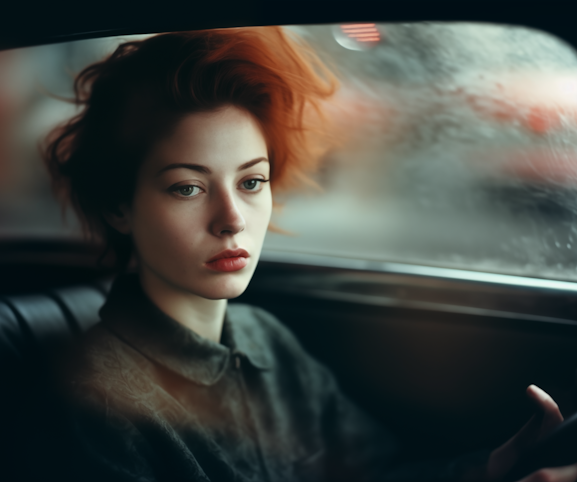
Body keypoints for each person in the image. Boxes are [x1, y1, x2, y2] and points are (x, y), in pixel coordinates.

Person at [43, 26, 577, 482]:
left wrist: (496, 465)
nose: (232, 219)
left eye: (251, 182)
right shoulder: (101, 401)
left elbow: (369, 474)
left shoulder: (265, 340)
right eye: (187, 187)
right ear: (119, 206)